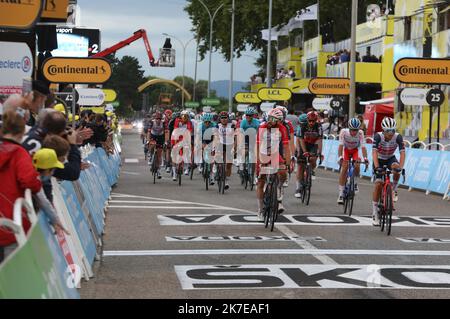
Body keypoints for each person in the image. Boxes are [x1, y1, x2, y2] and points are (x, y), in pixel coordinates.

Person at [0, 110, 42, 262]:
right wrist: (38, 183)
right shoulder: (19, 152)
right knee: (11, 270)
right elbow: (29, 181)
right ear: (22, 132)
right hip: (12, 219)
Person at [256, 108, 291, 217]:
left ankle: (279, 188)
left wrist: (288, 162)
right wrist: (258, 161)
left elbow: (286, 147)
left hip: (275, 154)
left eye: (275, 120)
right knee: (261, 182)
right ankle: (260, 209)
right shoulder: (262, 127)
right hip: (262, 153)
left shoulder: (282, 128)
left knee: (283, 172)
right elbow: (257, 146)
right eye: (270, 119)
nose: (271, 121)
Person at [371, 117, 405, 226]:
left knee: (396, 169)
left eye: (392, 131)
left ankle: (394, 189)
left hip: (390, 158)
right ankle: (375, 213)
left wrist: (400, 167)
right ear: (383, 130)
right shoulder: (378, 136)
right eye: (388, 131)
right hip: (379, 159)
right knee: (378, 184)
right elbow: (374, 153)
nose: (390, 133)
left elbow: (402, 153)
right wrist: (377, 167)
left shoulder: (398, 137)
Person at [337, 118, 369, 204]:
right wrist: (340, 157)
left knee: (357, 165)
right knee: (344, 169)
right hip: (346, 150)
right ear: (349, 128)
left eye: (356, 130)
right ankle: (341, 194)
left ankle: (354, 182)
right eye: (352, 130)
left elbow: (363, 147)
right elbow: (340, 146)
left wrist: (365, 158)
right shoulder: (344, 132)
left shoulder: (361, 133)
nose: (354, 132)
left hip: (355, 150)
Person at [295, 111, 323, 198]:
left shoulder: (318, 127)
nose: (311, 123)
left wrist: (319, 152)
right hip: (303, 144)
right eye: (310, 121)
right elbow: (300, 140)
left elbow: (319, 140)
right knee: (300, 166)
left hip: (313, 144)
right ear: (307, 120)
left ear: (316, 120)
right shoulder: (302, 126)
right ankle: (298, 187)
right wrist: (303, 151)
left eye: (313, 121)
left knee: (313, 159)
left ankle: (311, 170)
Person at [214, 111, 237, 190]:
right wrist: (214, 147)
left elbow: (236, 137)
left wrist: (236, 148)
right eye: (222, 118)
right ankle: (217, 168)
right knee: (218, 158)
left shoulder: (232, 126)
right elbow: (216, 137)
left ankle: (226, 177)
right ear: (220, 119)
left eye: (225, 118)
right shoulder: (217, 125)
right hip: (220, 144)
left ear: (228, 118)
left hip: (230, 145)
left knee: (229, 165)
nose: (223, 119)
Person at [237, 107, 261, 183]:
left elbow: (259, 133)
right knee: (245, 152)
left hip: (254, 138)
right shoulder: (243, 122)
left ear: (253, 116)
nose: (248, 117)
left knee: (253, 158)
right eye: (247, 115)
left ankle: (252, 175)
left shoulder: (257, 122)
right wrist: (241, 144)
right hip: (245, 137)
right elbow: (240, 133)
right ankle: (242, 164)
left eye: (250, 115)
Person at [171, 110, 194, 181]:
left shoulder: (189, 123)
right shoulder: (177, 121)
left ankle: (186, 167)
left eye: (187, 116)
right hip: (176, 138)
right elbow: (175, 129)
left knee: (187, 150)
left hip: (185, 139)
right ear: (181, 116)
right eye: (184, 116)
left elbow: (189, 131)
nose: (185, 118)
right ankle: (174, 173)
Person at [146, 111, 166, 179]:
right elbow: (148, 132)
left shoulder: (163, 123)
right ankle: (150, 156)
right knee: (151, 145)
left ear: (161, 119)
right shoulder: (152, 122)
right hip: (153, 135)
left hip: (160, 136)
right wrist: (148, 140)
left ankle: (159, 170)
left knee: (159, 153)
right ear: (155, 119)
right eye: (157, 119)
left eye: (159, 119)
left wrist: (166, 141)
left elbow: (166, 132)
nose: (158, 120)